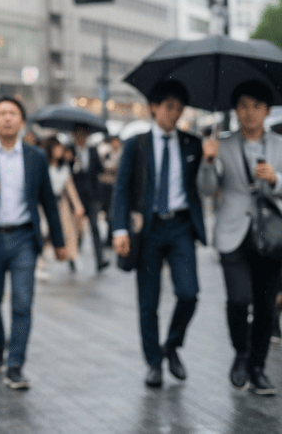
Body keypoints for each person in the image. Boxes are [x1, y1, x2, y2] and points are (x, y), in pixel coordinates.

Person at [0, 97, 67, 390]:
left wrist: (59, 242)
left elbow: (48, 202)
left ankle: (15, 364)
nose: (7, 118)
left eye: (13, 113)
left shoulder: (35, 157)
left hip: (24, 239)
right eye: (1, 113)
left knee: (23, 302)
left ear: (21, 121)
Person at [112, 80, 205, 389]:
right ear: (153, 108)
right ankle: (154, 362)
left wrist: (210, 160)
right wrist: (119, 228)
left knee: (189, 293)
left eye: (179, 108)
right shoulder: (136, 144)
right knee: (148, 301)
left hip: (180, 227)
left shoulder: (193, 144)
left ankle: (172, 345)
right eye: (169, 107)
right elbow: (122, 188)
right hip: (148, 230)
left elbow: (203, 187)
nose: (175, 114)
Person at [197, 81, 282, 395]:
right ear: (235, 110)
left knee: (265, 306)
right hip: (233, 233)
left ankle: (258, 368)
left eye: (256, 106)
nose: (249, 112)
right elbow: (206, 190)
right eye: (243, 105)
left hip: (272, 235)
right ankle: (241, 353)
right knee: (239, 299)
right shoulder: (223, 144)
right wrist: (207, 161)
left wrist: (275, 178)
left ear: (267, 111)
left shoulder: (279, 144)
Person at [70, 124, 110, 272]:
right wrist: (73, 161)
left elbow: (100, 169)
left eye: (83, 134)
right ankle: (73, 257)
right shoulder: (70, 151)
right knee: (77, 230)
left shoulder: (93, 150)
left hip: (92, 195)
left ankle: (100, 260)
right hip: (76, 197)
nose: (81, 137)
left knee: (94, 228)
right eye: (78, 134)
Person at [43, 136, 86, 273]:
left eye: (61, 149)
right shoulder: (43, 165)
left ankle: (72, 257)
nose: (60, 151)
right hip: (44, 203)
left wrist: (78, 205)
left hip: (61, 203)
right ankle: (40, 262)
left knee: (68, 232)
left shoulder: (65, 168)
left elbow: (70, 188)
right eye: (57, 149)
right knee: (43, 232)